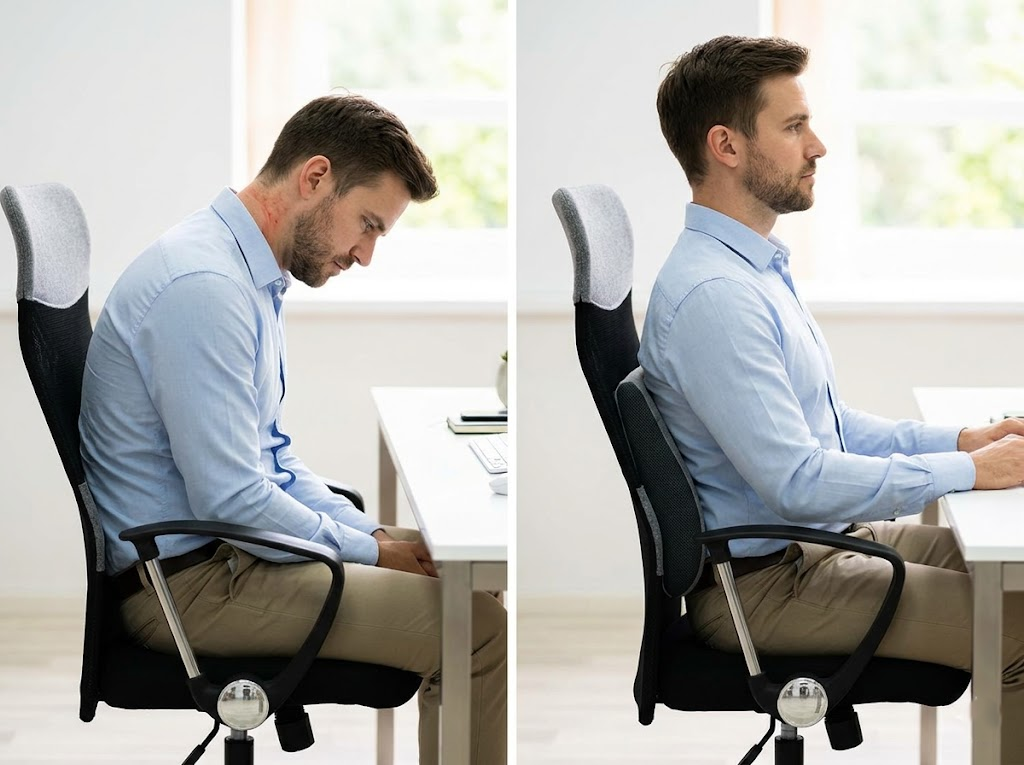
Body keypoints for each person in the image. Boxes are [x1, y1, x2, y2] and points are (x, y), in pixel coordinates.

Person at [79, 94, 506, 765]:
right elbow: (232, 498)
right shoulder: (205, 286)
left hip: (225, 555)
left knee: (466, 573)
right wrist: (372, 552)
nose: (365, 254)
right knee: (478, 630)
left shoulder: (247, 274)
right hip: (191, 587)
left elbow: (272, 462)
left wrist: (369, 535)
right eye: (367, 225)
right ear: (315, 177)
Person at [640, 35, 1024, 761]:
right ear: (726, 145)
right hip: (768, 588)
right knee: (1019, 627)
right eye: (793, 127)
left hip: (808, 549)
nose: (817, 146)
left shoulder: (750, 270)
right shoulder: (717, 296)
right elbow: (798, 480)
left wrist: (962, 442)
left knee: (1015, 577)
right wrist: (973, 472)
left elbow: (827, 428)